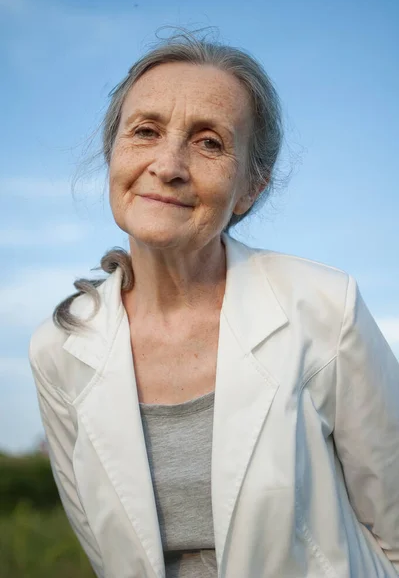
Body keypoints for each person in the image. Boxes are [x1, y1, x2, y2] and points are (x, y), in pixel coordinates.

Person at [29, 29, 399, 578]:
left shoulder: (325, 306)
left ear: (250, 188)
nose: (168, 164)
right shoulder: (58, 348)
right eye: (146, 131)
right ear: (114, 155)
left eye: (209, 142)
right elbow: (107, 555)